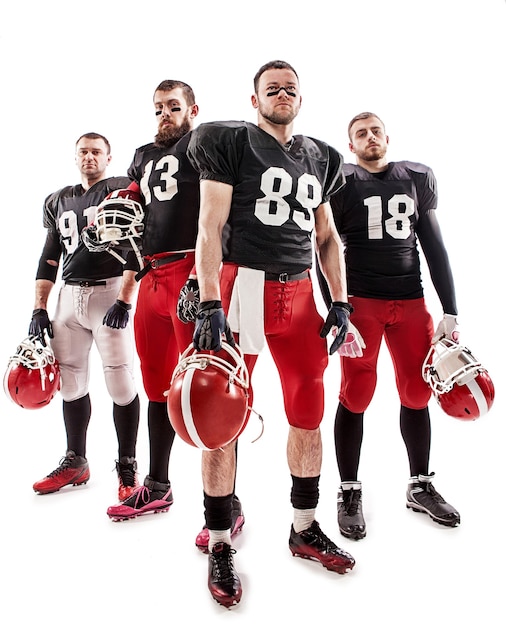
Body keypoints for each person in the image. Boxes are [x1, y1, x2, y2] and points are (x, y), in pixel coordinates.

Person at [187, 60, 356, 609]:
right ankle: (218, 540)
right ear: (254, 98)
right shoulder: (232, 142)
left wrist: (342, 301)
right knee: (220, 415)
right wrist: (211, 298)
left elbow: (327, 237)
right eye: (271, 88)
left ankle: (304, 527)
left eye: (290, 88)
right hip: (244, 287)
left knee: (308, 410)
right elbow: (208, 225)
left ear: (301, 99)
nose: (282, 94)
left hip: (302, 292)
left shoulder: (322, 156)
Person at [105, 80, 245, 550]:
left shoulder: (204, 145)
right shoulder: (143, 155)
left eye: (174, 107)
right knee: (157, 384)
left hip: (192, 270)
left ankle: (231, 503)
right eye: (159, 108)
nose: (165, 114)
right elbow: (132, 208)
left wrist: (204, 281)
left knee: (209, 385)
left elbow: (223, 215)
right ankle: (159, 485)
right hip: (152, 275)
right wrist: (116, 209)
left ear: (193, 109)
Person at [317, 112, 461, 541]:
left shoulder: (414, 177)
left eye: (375, 130)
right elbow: (321, 249)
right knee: (356, 393)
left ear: (387, 137)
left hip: (411, 301)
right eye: (360, 133)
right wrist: (336, 311)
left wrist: (450, 309)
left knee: (418, 393)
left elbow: (434, 246)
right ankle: (348, 490)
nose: (370, 137)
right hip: (361, 303)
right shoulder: (341, 182)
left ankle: (420, 484)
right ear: (352, 146)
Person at [29, 132, 141, 501]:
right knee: (70, 383)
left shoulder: (121, 189)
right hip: (69, 296)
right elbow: (49, 257)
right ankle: (76, 460)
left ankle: (127, 466)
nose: (89, 157)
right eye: (84, 152)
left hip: (109, 291)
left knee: (121, 383)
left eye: (96, 151)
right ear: (75, 157)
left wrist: (125, 299)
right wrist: (38, 308)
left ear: (109, 157)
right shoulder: (60, 199)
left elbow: (136, 246)